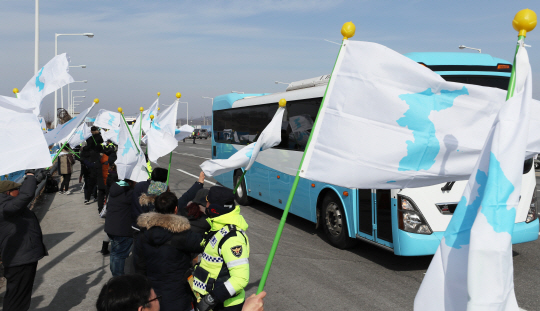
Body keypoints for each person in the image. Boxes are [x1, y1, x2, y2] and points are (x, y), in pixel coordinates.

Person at [134, 191, 204, 311]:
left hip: (152, 295)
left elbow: (139, 266)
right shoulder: (183, 234)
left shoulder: (143, 234)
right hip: (178, 294)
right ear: (176, 209)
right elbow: (205, 244)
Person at [193, 187, 250, 311]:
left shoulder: (232, 239)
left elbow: (240, 278)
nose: (205, 206)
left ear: (214, 209)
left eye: (207, 203)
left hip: (225, 305)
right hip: (212, 301)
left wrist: (211, 299)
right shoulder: (217, 229)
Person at [0, 170, 48, 311]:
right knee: (17, 299)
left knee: (17, 295)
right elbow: (26, 195)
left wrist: (35, 181)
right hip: (19, 260)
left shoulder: (8, 205)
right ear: (8, 192)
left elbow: (23, 196)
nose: (19, 191)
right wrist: (31, 175)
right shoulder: (5, 208)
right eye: (16, 189)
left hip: (20, 258)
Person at [105, 179, 135, 276]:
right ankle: (118, 278)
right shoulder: (129, 194)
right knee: (119, 255)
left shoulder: (114, 190)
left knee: (115, 253)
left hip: (111, 227)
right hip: (122, 230)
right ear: (130, 182)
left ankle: (115, 275)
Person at [132, 168, 168, 232]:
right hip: (153, 227)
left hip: (136, 224)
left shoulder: (139, 185)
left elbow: (135, 204)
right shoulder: (164, 190)